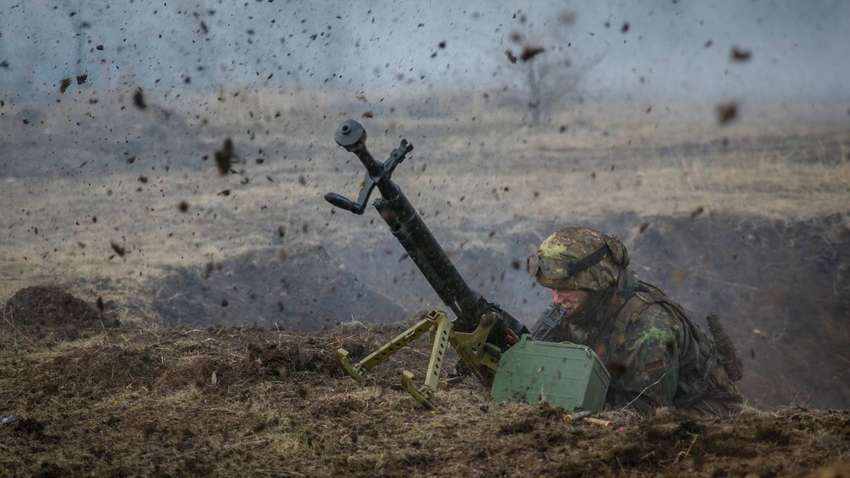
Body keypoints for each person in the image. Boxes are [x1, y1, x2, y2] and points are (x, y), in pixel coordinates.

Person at [527, 226, 743, 415]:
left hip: (702, 412)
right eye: (552, 288)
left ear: (596, 284)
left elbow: (646, 414)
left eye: (565, 289)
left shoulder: (649, 330)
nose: (556, 299)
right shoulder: (577, 305)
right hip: (618, 396)